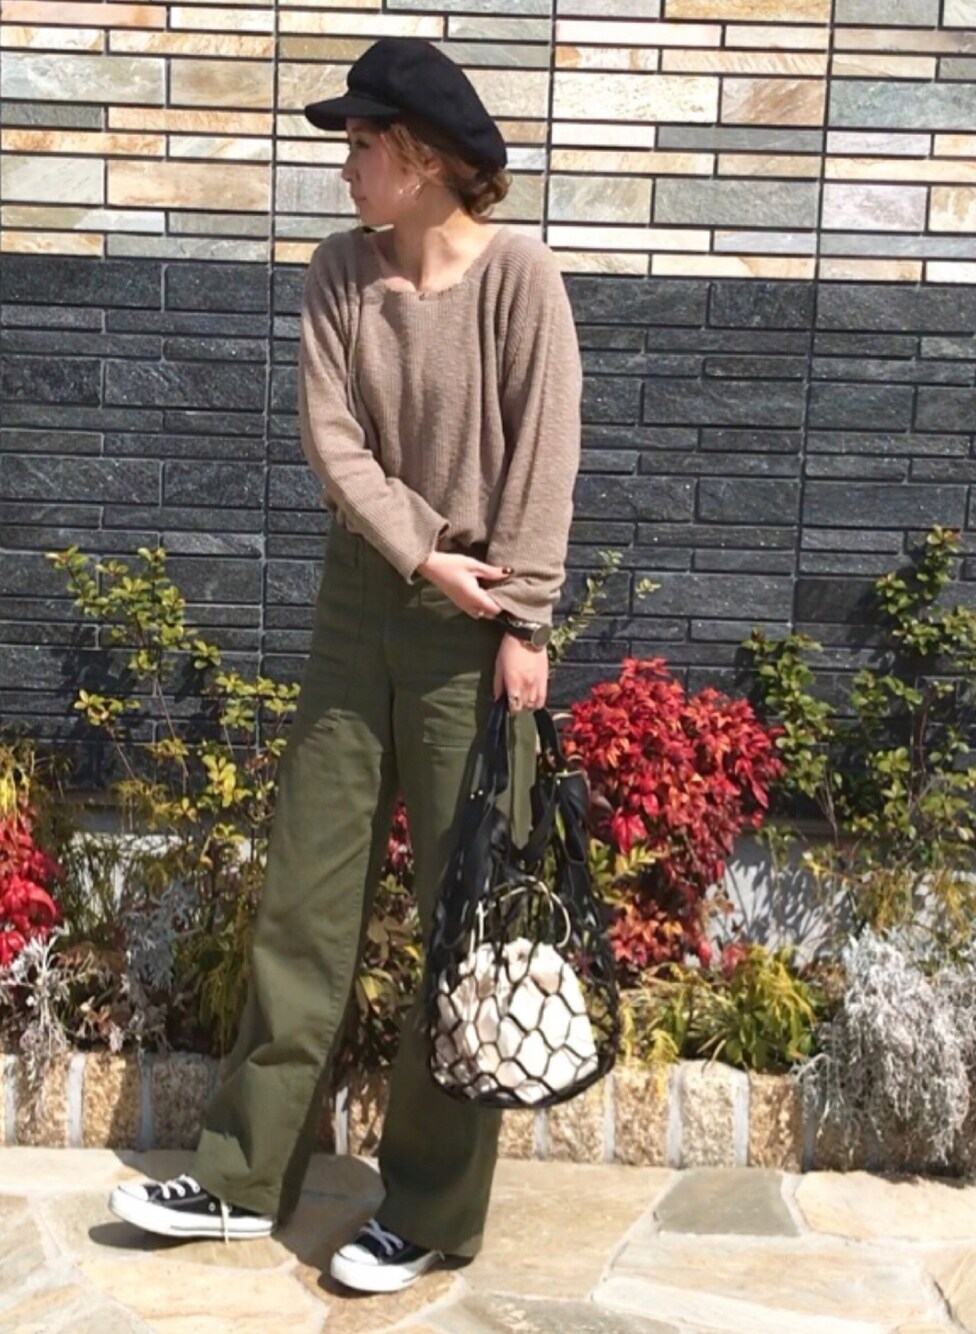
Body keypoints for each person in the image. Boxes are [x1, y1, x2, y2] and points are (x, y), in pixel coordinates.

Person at [107, 36, 583, 1295]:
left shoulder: (521, 279)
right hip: (358, 601)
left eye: (363, 142)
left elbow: (545, 457)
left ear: (419, 158)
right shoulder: (339, 274)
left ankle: (425, 1206)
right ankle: (239, 1176)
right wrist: (422, 551)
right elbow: (333, 440)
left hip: (476, 629)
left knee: (459, 917)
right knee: (305, 899)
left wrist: (523, 624)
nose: (347, 163)